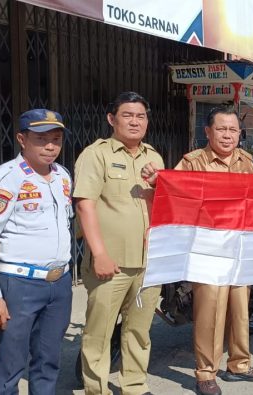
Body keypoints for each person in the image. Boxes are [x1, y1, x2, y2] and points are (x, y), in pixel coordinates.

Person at [141, 106, 253, 395]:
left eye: (233, 130)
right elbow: (172, 191)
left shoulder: (246, 161)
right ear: (208, 132)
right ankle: (206, 372)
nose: (227, 135)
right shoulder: (192, 162)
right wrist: (158, 181)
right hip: (206, 250)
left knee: (240, 308)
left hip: (238, 248)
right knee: (211, 310)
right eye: (221, 129)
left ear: (240, 134)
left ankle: (239, 364)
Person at [0, 109, 73, 394]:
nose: (50, 146)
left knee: (49, 360)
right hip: (19, 285)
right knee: (11, 363)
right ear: (22, 139)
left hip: (59, 284)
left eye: (56, 139)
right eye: (41, 139)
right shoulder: (4, 179)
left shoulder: (62, 176)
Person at [73, 92, 163, 395]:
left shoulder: (154, 158)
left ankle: (134, 386)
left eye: (141, 116)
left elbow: (164, 206)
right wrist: (99, 253)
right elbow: (85, 204)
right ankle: (96, 389)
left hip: (147, 262)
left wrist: (158, 185)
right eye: (127, 115)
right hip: (110, 262)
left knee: (138, 330)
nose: (135, 121)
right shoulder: (96, 154)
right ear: (112, 119)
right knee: (99, 332)